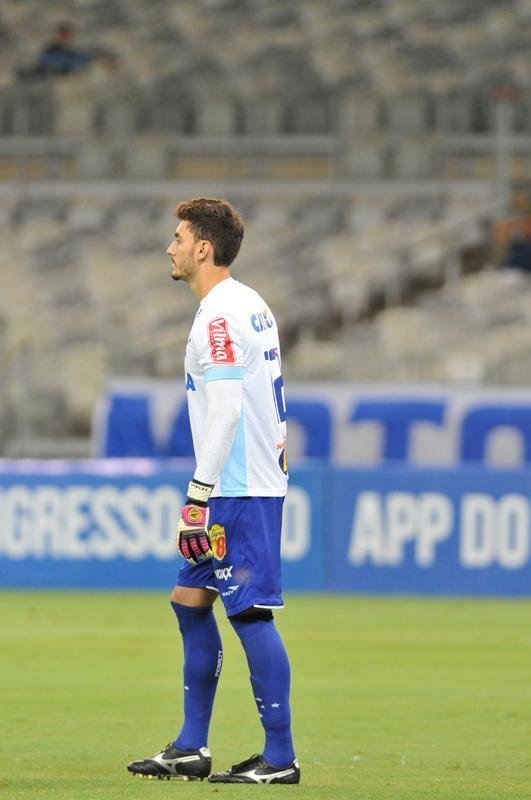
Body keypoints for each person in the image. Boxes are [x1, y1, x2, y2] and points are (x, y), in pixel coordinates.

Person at [127, 198, 299, 785]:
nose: (170, 247)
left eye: (178, 238)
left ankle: (280, 758)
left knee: (249, 614)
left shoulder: (219, 316)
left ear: (203, 248)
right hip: (241, 481)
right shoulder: (248, 303)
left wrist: (198, 495)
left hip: (237, 488)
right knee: (189, 601)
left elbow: (226, 408)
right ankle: (190, 747)